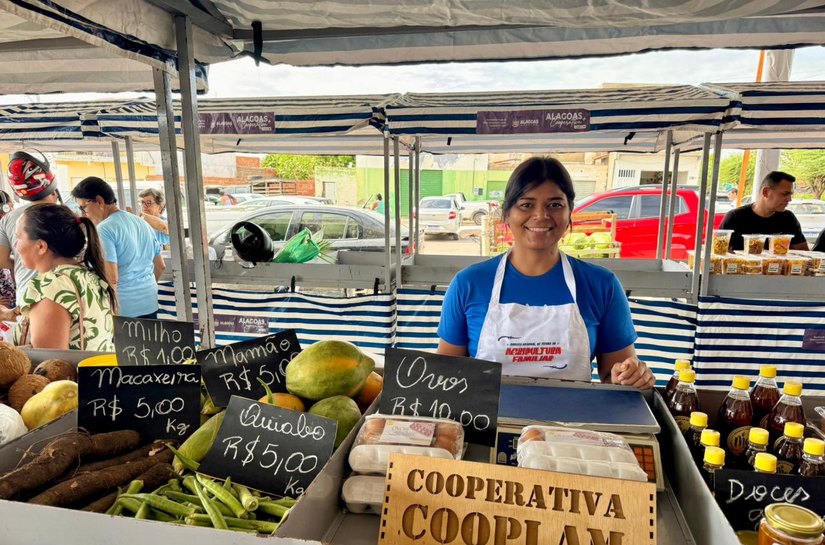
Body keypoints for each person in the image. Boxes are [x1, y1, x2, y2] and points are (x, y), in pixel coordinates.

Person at [437, 157, 654, 390]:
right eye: (526, 205)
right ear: (507, 213)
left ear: (570, 212)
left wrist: (631, 376)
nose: (540, 215)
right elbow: (445, 378)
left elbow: (615, 379)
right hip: (487, 425)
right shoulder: (469, 284)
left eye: (555, 204)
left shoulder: (602, 285)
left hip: (574, 423)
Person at [0, 205, 115, 350]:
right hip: (96, 371)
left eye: (18, 237)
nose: (15, 245)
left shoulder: (50, 287)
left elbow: (49, 365)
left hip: (71, 373)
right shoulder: (85, 274)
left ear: (41, 246)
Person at [71, 177, 164, 319]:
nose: (83, 213)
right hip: (150, 302)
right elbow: (160, 266)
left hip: (123, 310)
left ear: (100, 201)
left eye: (83, 207)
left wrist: (110, 313)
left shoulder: (104, 229)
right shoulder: (142, 223)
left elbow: (112, 278)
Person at [0, 151, 62, 311]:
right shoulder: (68, 216)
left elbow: (1, 259)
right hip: (65, 296)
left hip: (26, 297)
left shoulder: (8, 219)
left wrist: (23, 265)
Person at [720, 171, 808, 252]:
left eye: (790, 195)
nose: (789, 199)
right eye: (785, 194)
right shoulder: (735, 217)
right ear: (766, 192)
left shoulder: (788, 218)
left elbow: (803, 253)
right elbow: (719, 252)